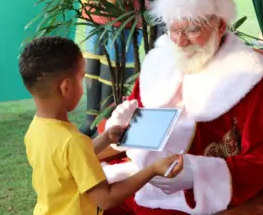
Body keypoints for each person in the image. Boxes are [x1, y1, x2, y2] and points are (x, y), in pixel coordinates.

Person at [101, 0, 263, 215]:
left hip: (196, 195)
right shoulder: (162, 57)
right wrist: (120, 128)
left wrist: (196, 174)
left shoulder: (248, 74)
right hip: (138, 174)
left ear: (220, 25)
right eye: (174, 29)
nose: (180, 41)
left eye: (193, 30)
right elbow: (135, 122)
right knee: (86, 193)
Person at [18, 36, 184, 215]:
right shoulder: (73, 141)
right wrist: (152, 169)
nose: (83, 86)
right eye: (81, 78)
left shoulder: (37, 129)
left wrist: (106, 138)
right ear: (66, 87)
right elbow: (107, 198)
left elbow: (70, 162)